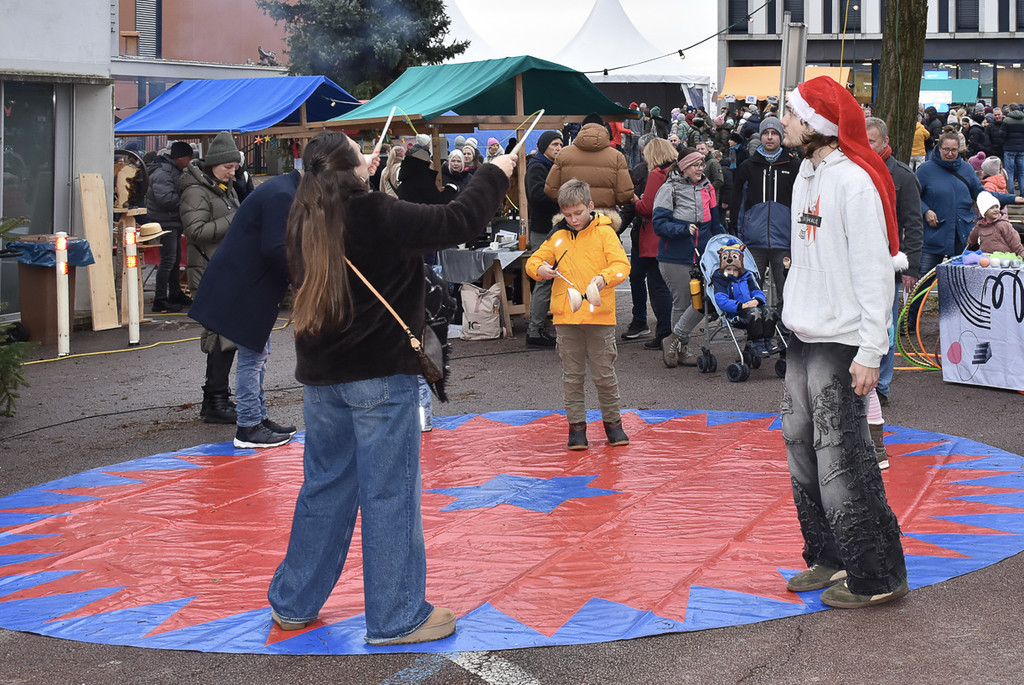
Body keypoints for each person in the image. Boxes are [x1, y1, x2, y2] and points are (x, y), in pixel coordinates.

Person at [266, 131, 516, 643]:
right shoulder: (376, 211)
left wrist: (366, 175)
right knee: (389, 495)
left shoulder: (306, 213)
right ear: (352, 169)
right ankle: (396, 615)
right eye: (362, 155)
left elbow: (366, 217)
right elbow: (458, 221)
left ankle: (293, 601)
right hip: (379, 374)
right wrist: (498, 171)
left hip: (322, 376)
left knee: (325, 487)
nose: (370, 157)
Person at [779, 75, 908, 608]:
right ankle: (828, 557)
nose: (782, 122)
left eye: (791, 114)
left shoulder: (853, 182)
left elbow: (876, 273)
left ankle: (877, 576)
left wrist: (871, 352)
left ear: (816, 124)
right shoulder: (804, 176)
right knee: (800, 452)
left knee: (842, 461)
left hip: (842, 340)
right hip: (804, 333)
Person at [188, 162, 300, 448]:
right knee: (253, 358)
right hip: (243, 286)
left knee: (259, 354)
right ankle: (249, 426)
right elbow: (276, 247)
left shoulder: (282, 189)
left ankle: (257, 418)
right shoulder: (282, 194)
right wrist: (304, 279)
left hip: (246, 284)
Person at [525, 179, 631, 450]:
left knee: (604, 374)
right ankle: (577, 428)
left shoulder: (605, 233)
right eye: (568, 214)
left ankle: (613, 424)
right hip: (567, 316)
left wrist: (603, 278)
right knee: (572, 376)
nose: (573, 219)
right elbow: (533, 262)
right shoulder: (557, 236)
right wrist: (541, 270)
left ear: (590, 206)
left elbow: (622, 266)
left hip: (599, 315)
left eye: (578, 213)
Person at [911, 131, 1021, 328]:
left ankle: (961, 322)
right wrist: (925, 211)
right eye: (946, 149)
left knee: (963, 279)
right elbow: (912, 197)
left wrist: (1012, 198)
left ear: (959, 149)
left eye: (954, 150)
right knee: (923, 281)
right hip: (934, 234)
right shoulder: (926, 169)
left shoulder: (966, 169)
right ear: (939, 147)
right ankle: (909, 321)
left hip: (962, 235)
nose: (950, 153)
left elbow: (981, 195)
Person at [179, 131, 243, 424]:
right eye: (228, 167)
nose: (233, 173)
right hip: (207, 271)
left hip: (221, 269)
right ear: (213, 164)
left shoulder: (222, 188)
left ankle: (215, 398)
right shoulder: (196, 191)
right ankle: (216, 400)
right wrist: (234, 219)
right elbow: (195, 232)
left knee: (225, 335)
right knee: (220, 335)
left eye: (235, 167)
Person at [864, 116, 924, 407]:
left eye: (871, 141)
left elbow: (914, 225)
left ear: (885, 142)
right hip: (858, 261)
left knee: (886, 324)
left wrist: (911, 267)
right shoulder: (855, 170)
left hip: (890, 264)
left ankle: (882, 387)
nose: (866, 145)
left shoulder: (902, 176)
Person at [653, 147, 724, 368]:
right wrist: (682, 229)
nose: (700, 168)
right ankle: (681, 350)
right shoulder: (669, 188)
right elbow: (659, 224)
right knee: (683, 303)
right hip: (674, 256)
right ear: (684, 167)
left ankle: (674, 339)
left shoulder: (708, 187)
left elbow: (715, 223)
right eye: (696, 164)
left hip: (702, 257)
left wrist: (726, 242)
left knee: (705, 299)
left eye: (702, 164)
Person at [729, 116, 800, 314]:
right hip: (754, 240)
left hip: (784, 241)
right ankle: (756, 332)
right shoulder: (748, 166)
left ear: (781, 136)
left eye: (774, 134)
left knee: (786, 290)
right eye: (766, 134)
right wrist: (737, 229)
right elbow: (737, 200)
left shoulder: (794, 166)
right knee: (752, 290)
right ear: (760, 136)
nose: (770, 138)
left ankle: (785, 333)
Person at [630, 138, 678, 349]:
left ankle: (664, 333)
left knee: (659, 289)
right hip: (674, 236)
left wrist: (634, 199)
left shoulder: (657, 174)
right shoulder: (677, 172)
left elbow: (647, 208)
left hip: (653, 238)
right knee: (669, 288)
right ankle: (671, 331)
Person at [544, 114, 635, 215]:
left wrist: (568, 203)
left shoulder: (564, 154)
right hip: (604, 218)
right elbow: (625, 194)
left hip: (572, 218)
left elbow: (551, 190)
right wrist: (611, 201)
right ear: (603, 128)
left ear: (582, 128)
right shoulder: (617, 157)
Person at [524, 131, 564, 348]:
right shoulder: (537, 167)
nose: (558, 148)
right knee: (544, 279)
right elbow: (537, 197)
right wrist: (562, 196)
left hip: (553, 229)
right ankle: (535, 330)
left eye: (560, 144)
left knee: (550, 278)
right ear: (544, 146)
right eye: (554, 144)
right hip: (543, 230)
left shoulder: (550, 166)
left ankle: (541, 326)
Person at [146, 141, 194, 313]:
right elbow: (165, 199)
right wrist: (186, 200)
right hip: (165, 221)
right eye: (189, 157)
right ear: (180, 158)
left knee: (173, 260)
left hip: (172, 220)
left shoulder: (171, 170)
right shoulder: (162, 173)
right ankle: (160, 300)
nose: (190, 161)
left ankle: (175, 293)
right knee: (168, 260)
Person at [710, 240, 779, 356]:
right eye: (728, 270)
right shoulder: (721, 280)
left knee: (770, 312)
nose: (732, 272)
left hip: (753, 307)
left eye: (735, 270)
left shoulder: (746, 277)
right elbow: (721, 300)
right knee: (755, 313)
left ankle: (767, 341)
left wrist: (757, 300)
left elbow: (757, 291)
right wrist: (742, 305)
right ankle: (757, 343)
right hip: (737, 313)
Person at [968, 191, 1024, 257]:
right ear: (984, 211)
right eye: (991, 208)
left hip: (1003, 259)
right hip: (986, 258)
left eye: (997, 207)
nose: (996, 210)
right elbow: (972, 240)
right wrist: (970, 242)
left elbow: (1014, 242)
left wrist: (1022, 254)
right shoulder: (980, 226)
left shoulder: (1003, 224)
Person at [1002, 104, 1024, 195]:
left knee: (1009, 173)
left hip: (1009, 148)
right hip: (1022, 149)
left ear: (1010, 110)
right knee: (1022, 173)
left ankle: (1011, 194)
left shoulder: (1006, 120)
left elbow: (1002, 134)